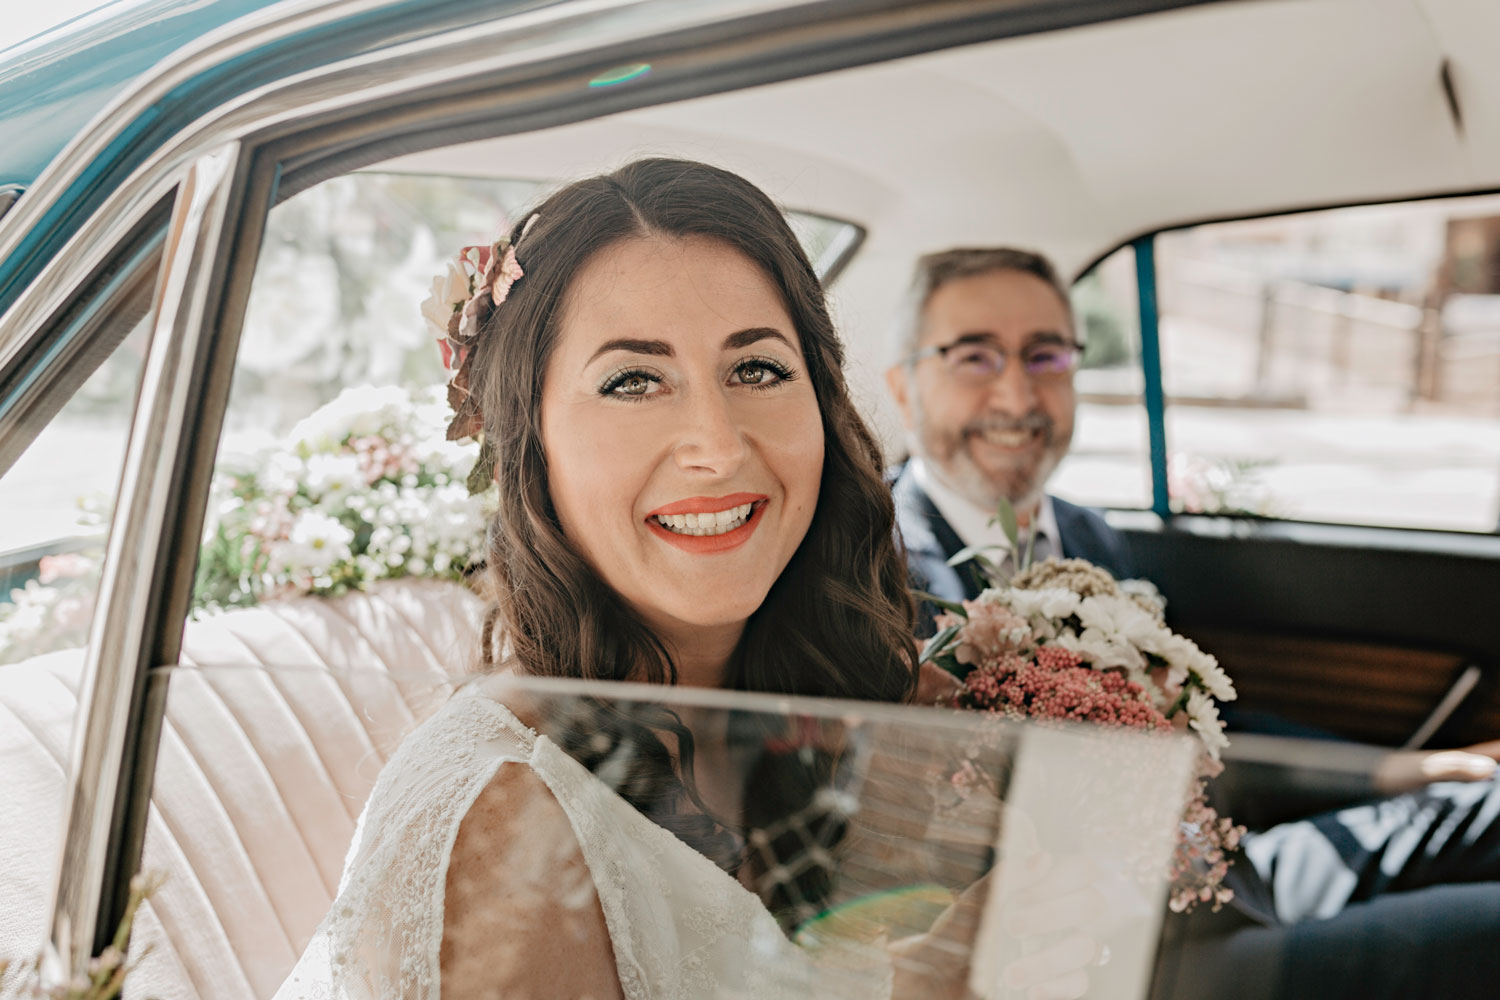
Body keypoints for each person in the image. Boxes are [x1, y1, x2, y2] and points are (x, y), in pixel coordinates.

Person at [273, 163, 1105, 1000]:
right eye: (633, 381)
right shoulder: (499, 814)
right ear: (532, 446)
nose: (718, 444)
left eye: (757, 371)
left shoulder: (870, 710)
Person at [883, 245, 1500, 997]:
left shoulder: (1089, 538)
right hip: (1131, 959)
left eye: (1045, 356)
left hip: (1230, 872)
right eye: (973, 357)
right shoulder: (874, 586)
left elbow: (1200, 724)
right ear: (905, 390)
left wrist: (1386, 769)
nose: (1017, 394)